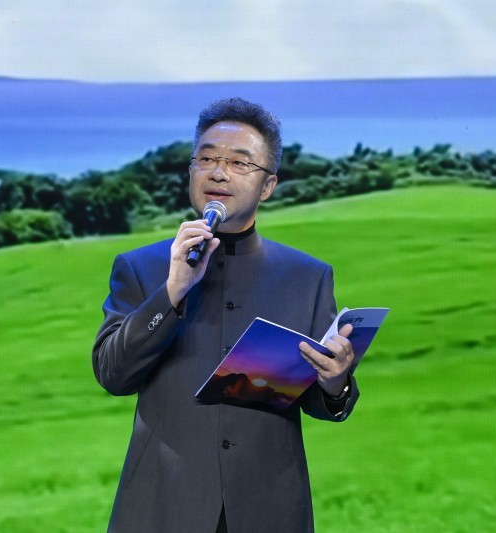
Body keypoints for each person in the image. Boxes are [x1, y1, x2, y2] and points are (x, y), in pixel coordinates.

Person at [92, 97, 358, 533]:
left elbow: (319, 402)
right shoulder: (140, 267)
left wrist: (335, 383)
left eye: (239, 162)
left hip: (271, 510)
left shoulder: (307, 277)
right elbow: (113, 375)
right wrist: (172, 291)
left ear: (268, 186)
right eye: (207, 158)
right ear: (190, 171)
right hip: (162, 507)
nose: (218, 173)